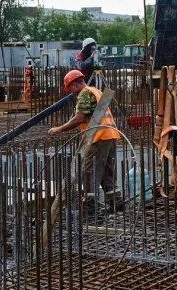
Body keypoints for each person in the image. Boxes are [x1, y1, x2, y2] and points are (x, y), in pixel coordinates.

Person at [48, 69, 124, 215]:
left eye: (69, 88)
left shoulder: (84, 93)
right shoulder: (95, 91)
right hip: (110, 135)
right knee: (107, 173)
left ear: (74, 84)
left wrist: (59, 129)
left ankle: (90, 208)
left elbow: (80, 118)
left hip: (98, 137)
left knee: (88, 171)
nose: (70, 92)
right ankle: (116, 203)